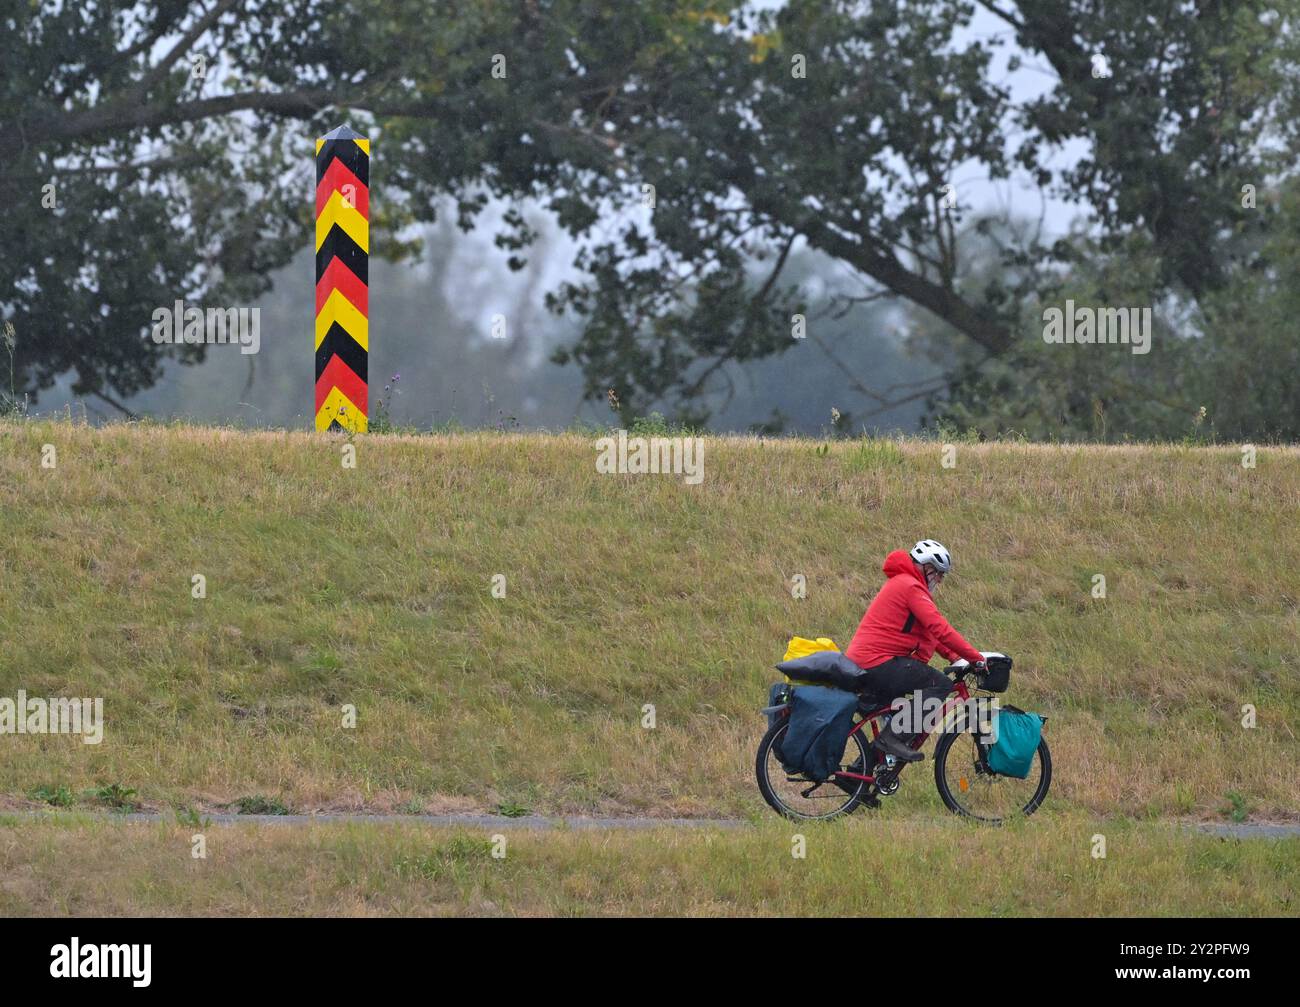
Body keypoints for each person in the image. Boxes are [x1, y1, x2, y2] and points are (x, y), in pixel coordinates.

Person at [844, 540, 985, 764]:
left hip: (869, 662)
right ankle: (891, 739)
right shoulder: (910, 586)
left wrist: (956, 657)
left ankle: (859, 777)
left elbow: (931, 634)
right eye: (938, 573)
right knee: (939, 684)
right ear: (926, 567)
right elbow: (940, 628)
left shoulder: (904, 583)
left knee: (899, 716)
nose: (939, 580)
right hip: (876, 662)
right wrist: (976, 659)